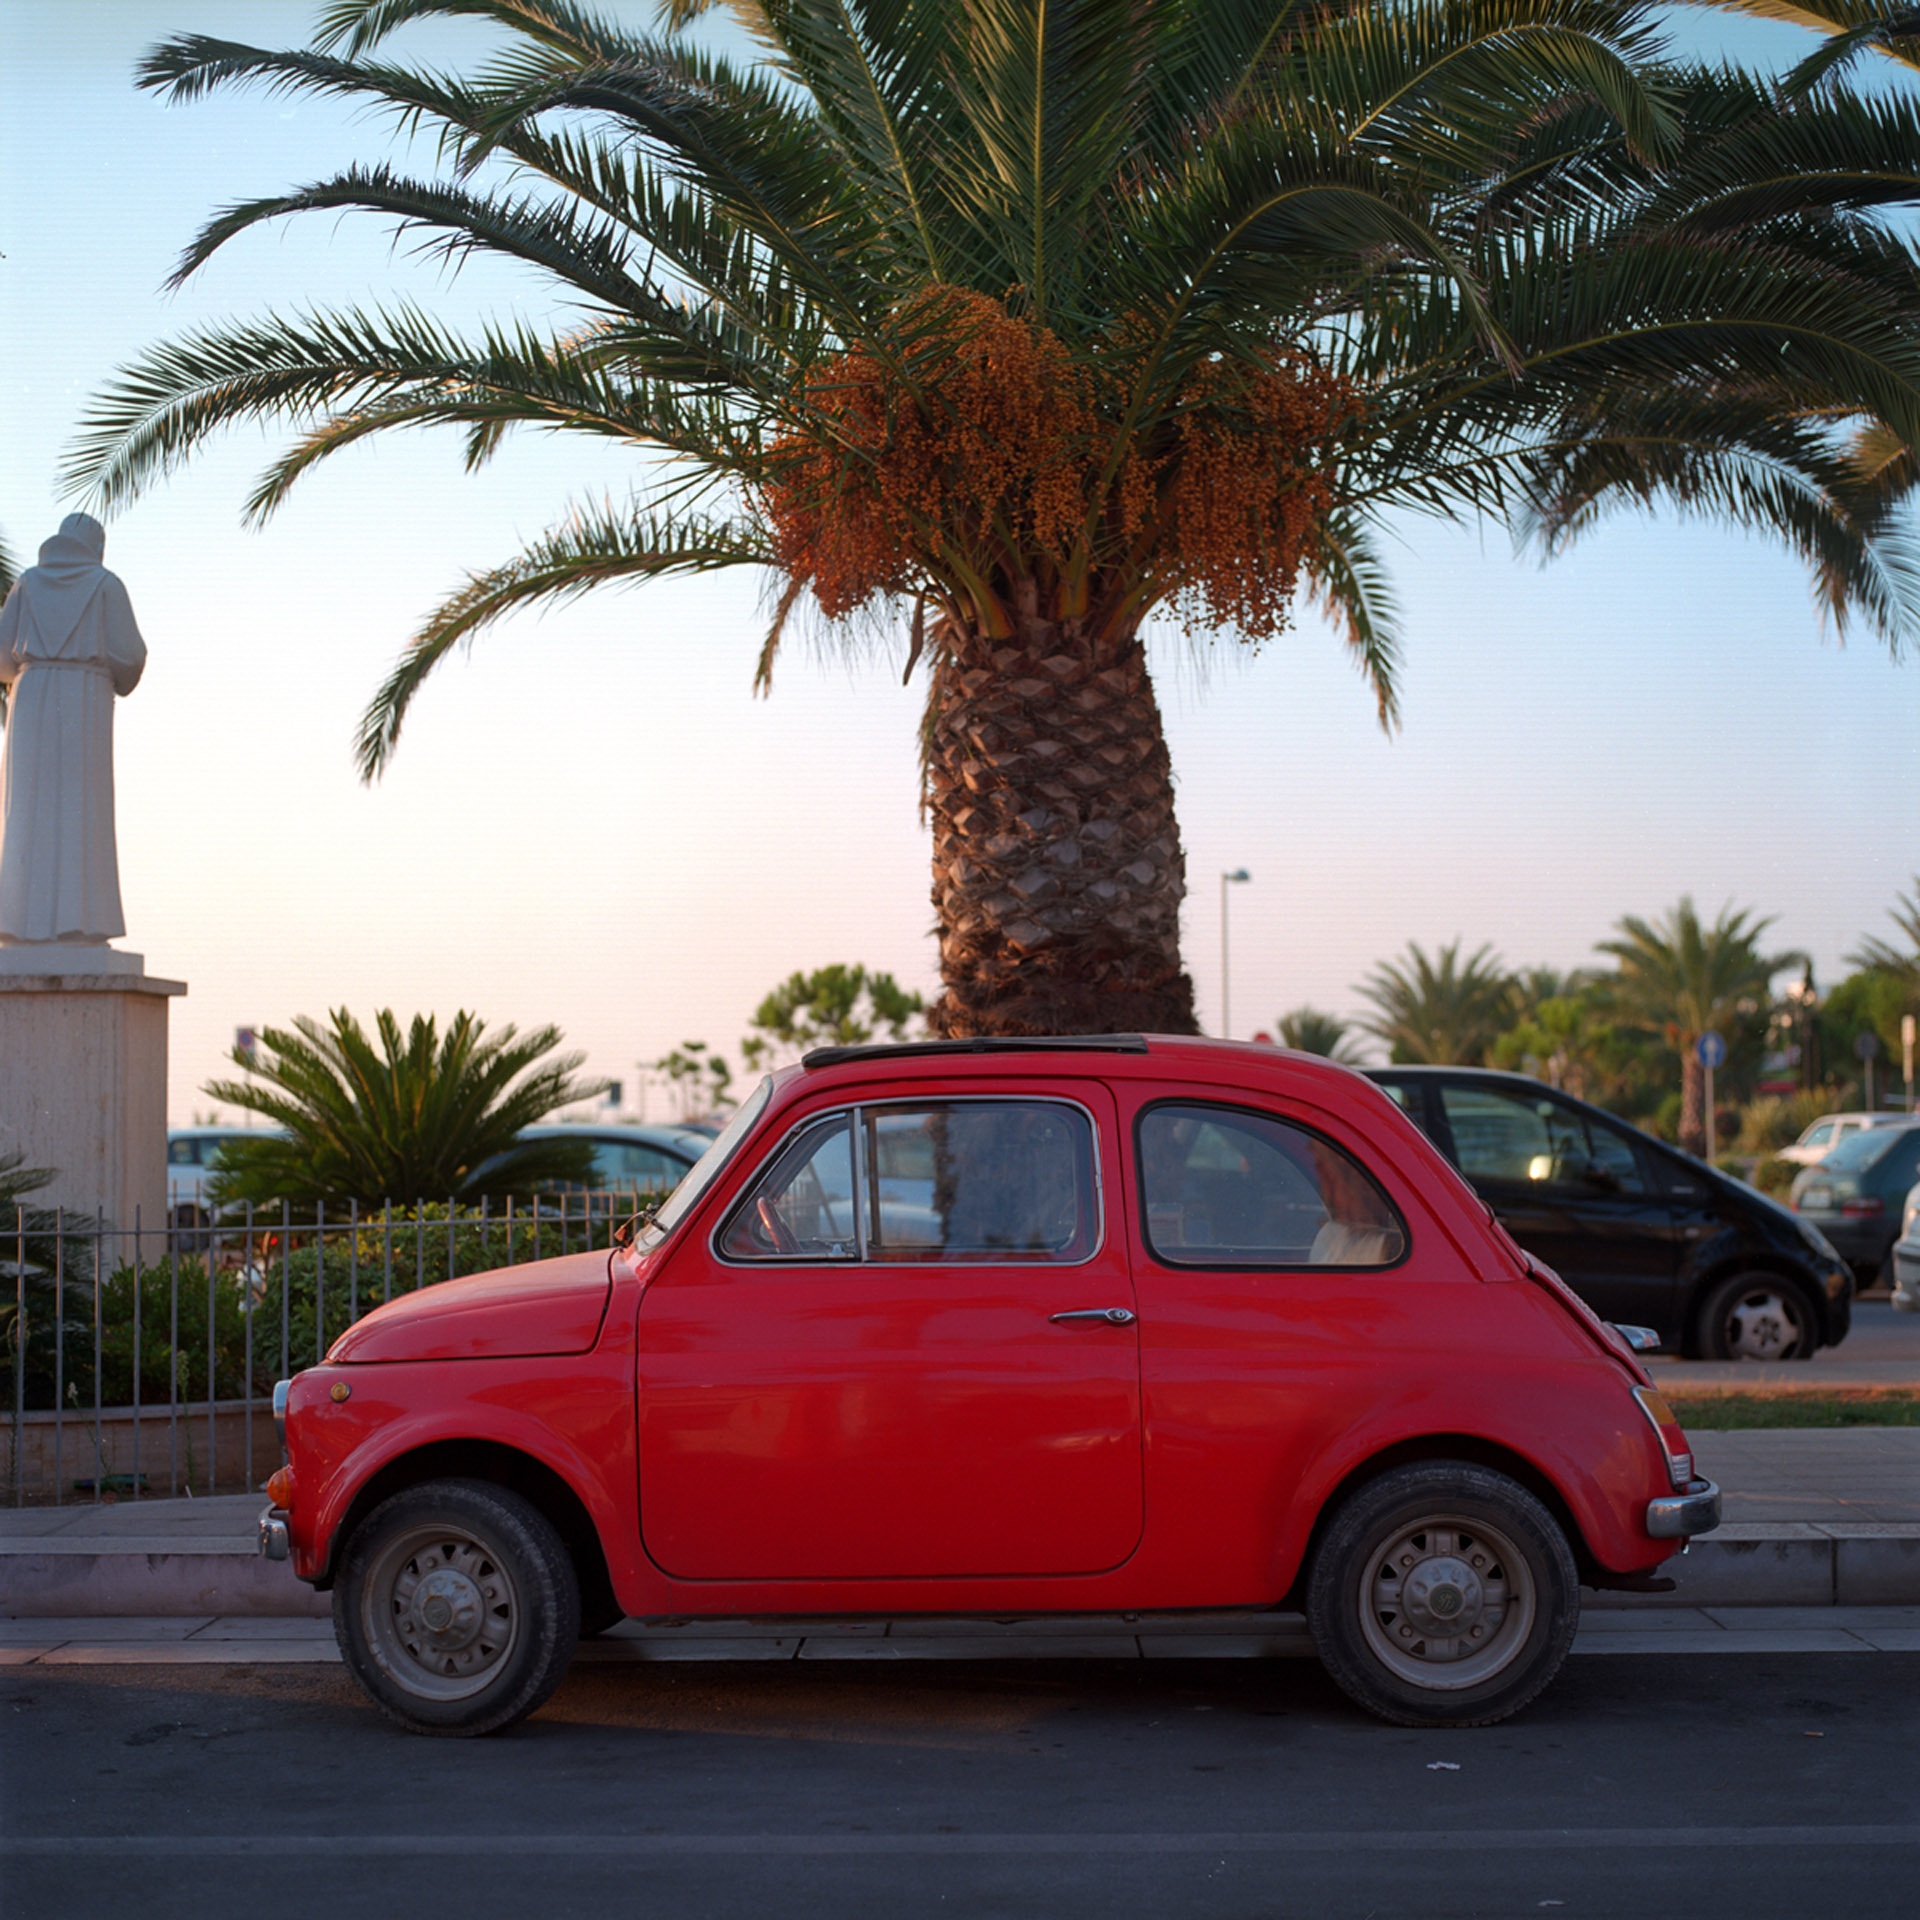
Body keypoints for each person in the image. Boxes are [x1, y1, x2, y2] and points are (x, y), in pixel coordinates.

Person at [0, 514, 146, 945]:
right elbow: (129, 658)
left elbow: (2, 657)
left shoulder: (27, 584)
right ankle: (81, 924)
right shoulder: (106, 585)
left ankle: (18, 924)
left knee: (28, 811)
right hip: (84, 699)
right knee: (80, 809)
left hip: (31, 697)